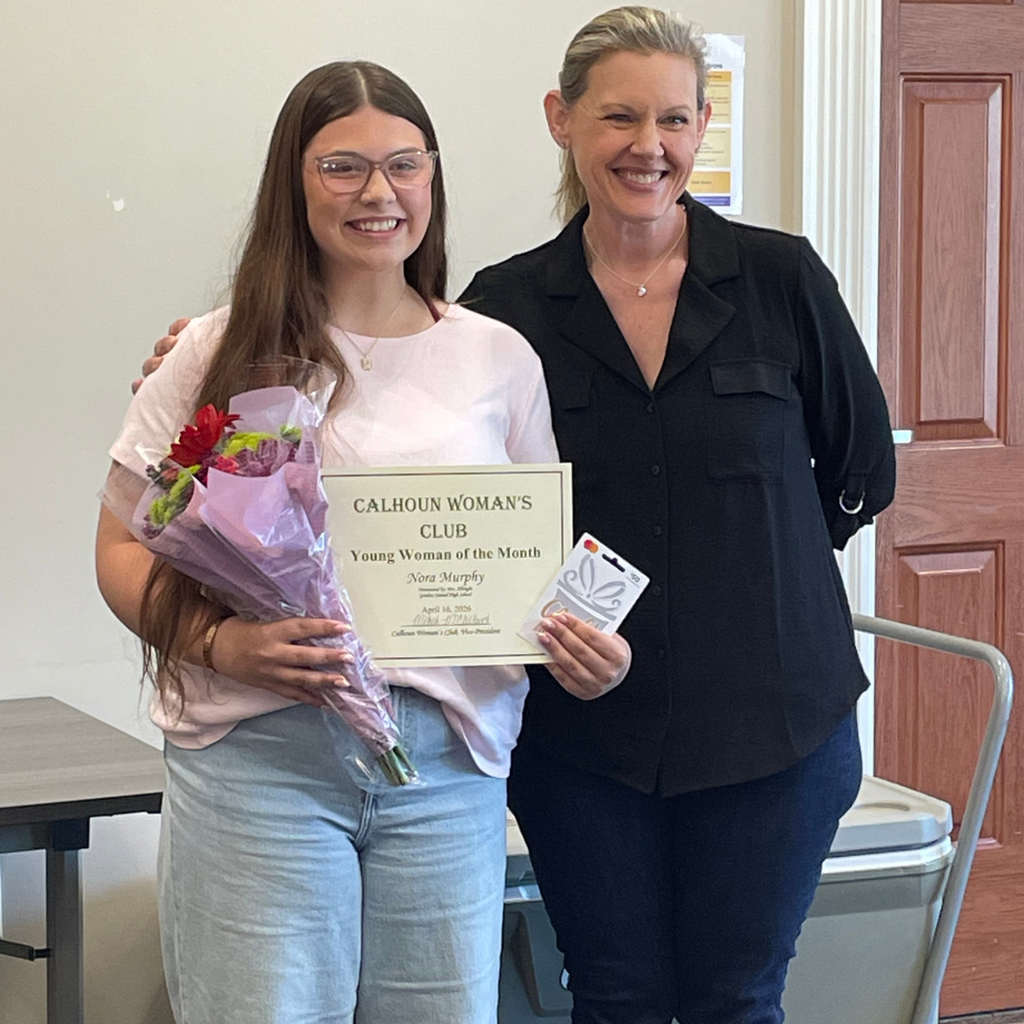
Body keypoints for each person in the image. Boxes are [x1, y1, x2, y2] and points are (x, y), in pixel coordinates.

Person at [135, 9, 896, 1024]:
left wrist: (754, 572)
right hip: (583, 734)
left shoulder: (780, 277)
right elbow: (456, 472)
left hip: (771, 720)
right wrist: (200, 366)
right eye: (619, 115)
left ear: (702, 124)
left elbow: (859, 467)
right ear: (561, 120)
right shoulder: (504, 315)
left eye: (675, 118)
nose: (649, 145)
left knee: (739, 998)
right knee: (613, 992)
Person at [98, 60, 628, 1024]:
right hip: (259, 756)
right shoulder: (212, 352)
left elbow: (538, 553)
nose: (379, 193)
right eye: (342, 166)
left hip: (445, 770)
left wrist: (589, 646)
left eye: (405, 164)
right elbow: (124, 548)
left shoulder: (498, 356)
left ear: (432, 176)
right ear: (291, 183)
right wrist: (221, 644)